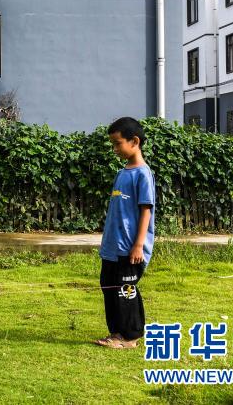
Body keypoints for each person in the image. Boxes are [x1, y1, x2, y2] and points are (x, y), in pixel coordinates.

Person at [94, 117, 156, 350]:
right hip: (113, 247)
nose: (114, 149)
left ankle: (130, 337)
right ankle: (116, 332)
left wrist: (138, 245)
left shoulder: (142, 174)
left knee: (125, 291)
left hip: (130, 249)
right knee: (108, 287)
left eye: (118, 143)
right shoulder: (122, 173)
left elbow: (146, 211)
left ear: (135, 141)